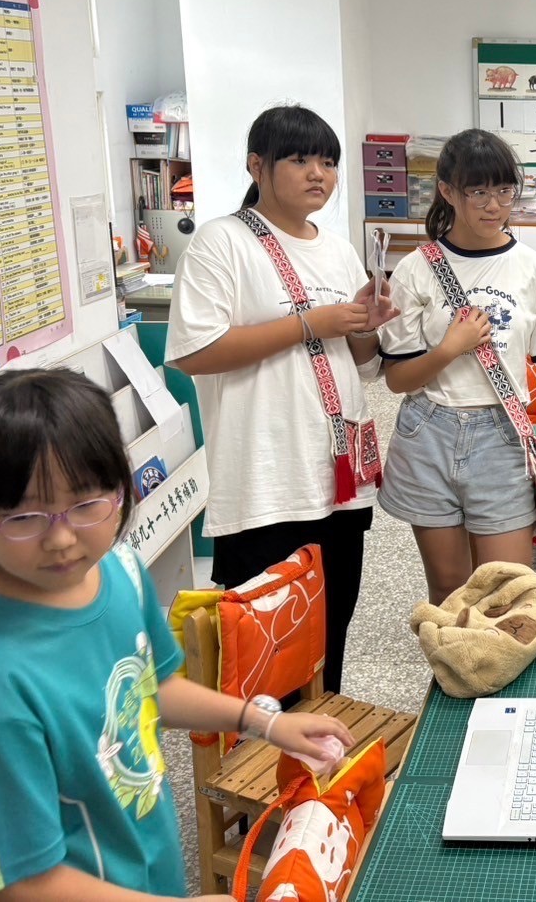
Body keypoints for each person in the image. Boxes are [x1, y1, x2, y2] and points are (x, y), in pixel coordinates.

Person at [0, 369, 354, 901]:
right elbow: (12, 885)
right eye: (24, 516)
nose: (61, 539)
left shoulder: (118, 570)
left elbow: (151, 688)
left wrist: (265, 722)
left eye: (86, 504)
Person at [167, 104, 395, 694]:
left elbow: (361, 364)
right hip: (265, 484)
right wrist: (309, 323)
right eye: (299, 159)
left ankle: (321, 740)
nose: (318, 173)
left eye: (328, 162)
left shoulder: (338, 250)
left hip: (337, 476)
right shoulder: (222, 243)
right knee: (269, 654)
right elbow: (195, 352)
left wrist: (366, 326)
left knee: (330, 637)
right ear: (257, 166)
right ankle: (266, 750)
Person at [378, 129, 536, 605]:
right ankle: (454, 656)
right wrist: (449, 349)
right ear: (447, 191)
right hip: (429, 432)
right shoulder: (416, 269)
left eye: (505, 191)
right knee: (449, 591)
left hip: (502, 433)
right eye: (478, 192)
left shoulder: (532, 267)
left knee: (508, 592)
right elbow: (398, 379)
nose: (495, 206)